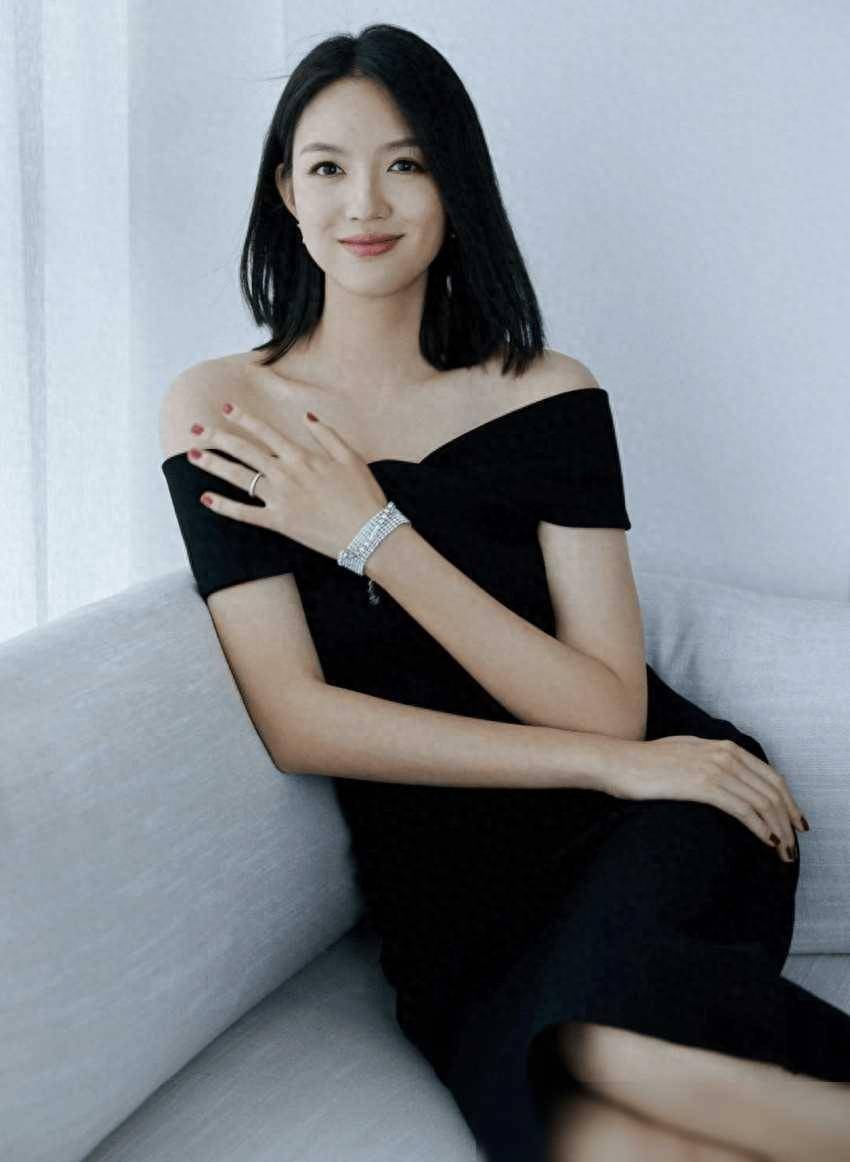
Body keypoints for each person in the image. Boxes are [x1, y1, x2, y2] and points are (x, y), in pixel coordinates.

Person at [159, 23, 850, 1162]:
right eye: (327, 166)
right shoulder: (228, 408)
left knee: (618, 1057)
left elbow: (609, 709)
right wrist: (610, 763)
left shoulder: (549, 393)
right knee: (577, 1116)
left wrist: (373, 535)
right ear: (285, 191)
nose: (364, 202)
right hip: (455, 884)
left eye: (407, 162)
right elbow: (296, 718)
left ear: (454, 183)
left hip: (665, 811)